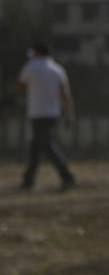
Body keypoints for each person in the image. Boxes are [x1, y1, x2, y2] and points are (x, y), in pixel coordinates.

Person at [17, 43, 77, 191]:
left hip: (37, 113)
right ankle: (28, 180)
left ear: (37, 53)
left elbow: (20, 85)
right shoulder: (58, 70)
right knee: (37, 146)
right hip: (52, 114)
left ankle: (67, 176)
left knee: (45, 145)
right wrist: (69, 114)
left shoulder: (31, 66)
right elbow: (65, 94)